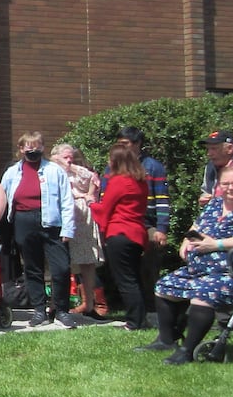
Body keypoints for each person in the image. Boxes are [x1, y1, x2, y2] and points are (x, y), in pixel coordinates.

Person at [143, 163, 233, 364]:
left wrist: (216, 244)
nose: (231, 187)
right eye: (226, 183)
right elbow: (196, 226)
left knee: (203, 294)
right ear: (219, 185)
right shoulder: (215, 204)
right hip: (197, 268)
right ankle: (166, 339)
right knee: (164, 286)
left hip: (230, 273)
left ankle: (187, 351)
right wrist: (186, 242)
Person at [1, 131, 77, 329]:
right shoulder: (12, 172)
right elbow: (3, 196)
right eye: (28, 146)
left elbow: (67, 201)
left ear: (43, 148)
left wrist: (68, 228)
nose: (32, 150)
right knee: (32, 268)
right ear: (21, 149)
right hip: (23, 221)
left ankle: (61, 311)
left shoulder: (54, 170)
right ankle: (39, 311)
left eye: (37, 146)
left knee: (61, 268)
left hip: (51, 223)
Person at [113, 126, 169, 323]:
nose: (122, 148)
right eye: (119, 144)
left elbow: (162, 200)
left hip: (147, 223)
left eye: (126, 144)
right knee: (127, 270)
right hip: (122, 224)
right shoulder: (114, 166)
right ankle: (136, 311)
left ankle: (152, 309)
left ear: (138, 144)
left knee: (148, 267)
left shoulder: (153, 167)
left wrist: (162, 228)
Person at [92, 144, 149, 330]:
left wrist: (90, 202)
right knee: (134, 278)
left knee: (125, 280)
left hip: (120, 233)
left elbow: (105, 209)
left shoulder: (118, 182)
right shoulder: (140, 181)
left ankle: (133, 322)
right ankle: (141, 318)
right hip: (137, 234)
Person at [52, 143, 105, 317]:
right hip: (61, 216)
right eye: (65, 157)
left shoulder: (77, 172)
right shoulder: (51, 171)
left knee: (86, 261)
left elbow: (91, 179)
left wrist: (71, 165)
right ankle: (57, 303)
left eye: (71, 157)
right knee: (59, 262)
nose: (69, 160)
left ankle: (89, 303)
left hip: (81, 218)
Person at [199, 130, 233, 205]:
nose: (209, 154)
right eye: (208, 149)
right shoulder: (210, 168)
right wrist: (204, 198)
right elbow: (206, 192)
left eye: (214, 149)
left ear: (230, 149)